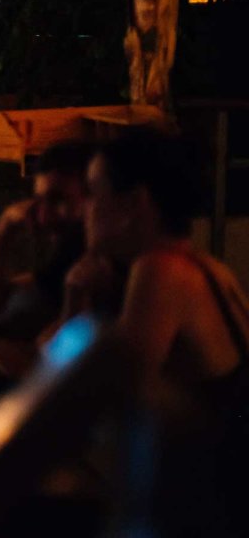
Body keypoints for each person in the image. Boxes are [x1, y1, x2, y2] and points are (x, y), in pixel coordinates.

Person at [78, 129, 249, 534]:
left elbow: (104, 401)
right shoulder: (205, 266)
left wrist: (75, 297)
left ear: (133, 203)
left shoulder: (159, 272)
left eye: (92, 192)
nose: (83, 209)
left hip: (207, 513)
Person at [0, 141, 92, 341]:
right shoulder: (66, 262)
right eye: (39, 201)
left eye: (58, 200)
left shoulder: (96, 264)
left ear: (95, 199)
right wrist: (4, 230)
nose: (43, 217)